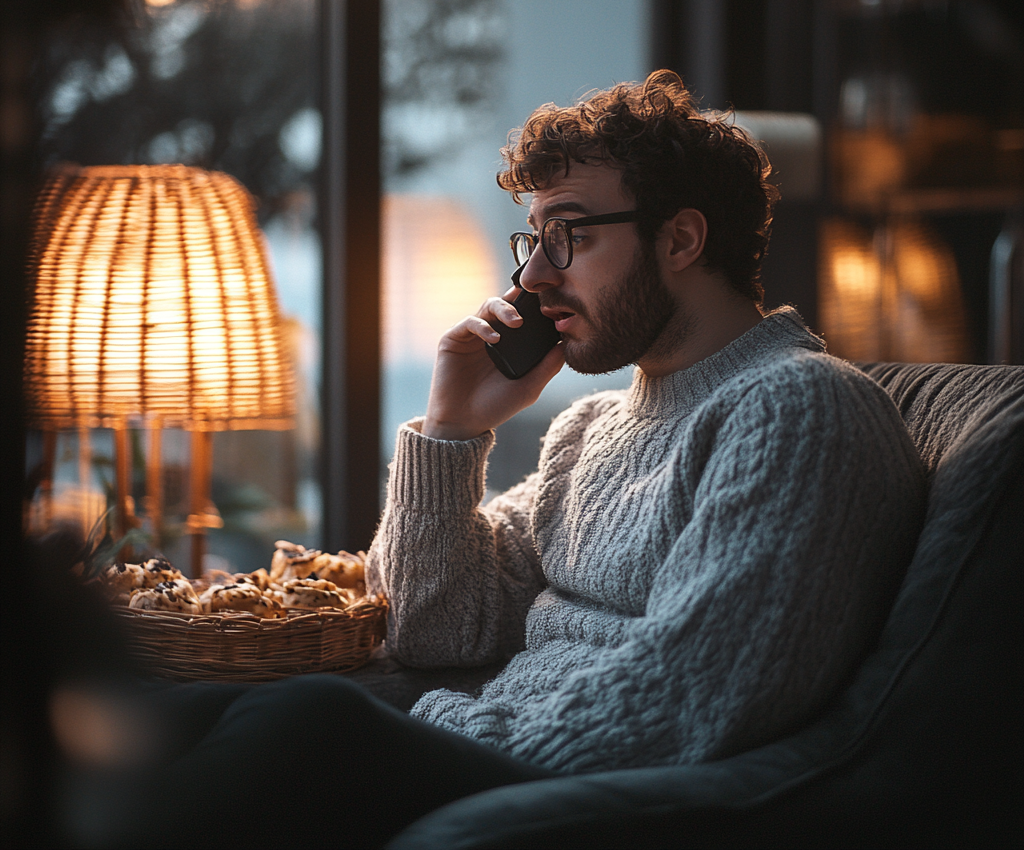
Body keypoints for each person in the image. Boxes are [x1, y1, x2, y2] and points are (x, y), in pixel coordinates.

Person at [101, 71, 924, 848]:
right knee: (177, 704)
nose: (531, 276)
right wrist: (451, 430)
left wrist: (443, 722)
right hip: (498, 749)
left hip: (567, 789)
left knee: (308, 719)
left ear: (680, 238)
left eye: (567, 235)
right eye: (531, 239)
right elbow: (434, 626)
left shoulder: (800, 408)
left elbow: (690, 691)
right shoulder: (590, 429)